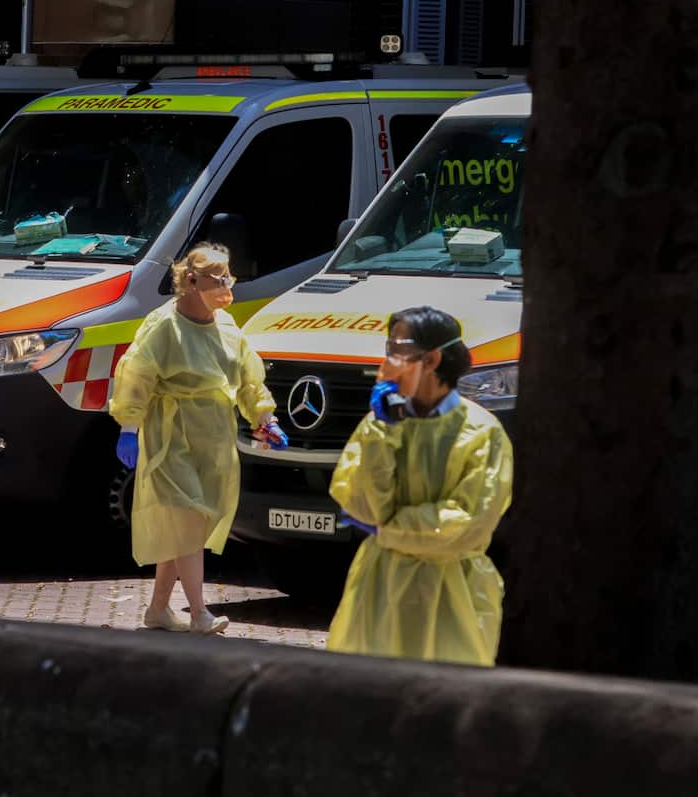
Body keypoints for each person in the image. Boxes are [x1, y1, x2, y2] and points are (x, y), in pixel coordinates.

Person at [110, 242, 289, 634]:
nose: (227, 285)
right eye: (218, 278)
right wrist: (129, 427)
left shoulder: (226, 326)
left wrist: (264, 417)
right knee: (188, 517)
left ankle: (158, 610)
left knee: (187, 523)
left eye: (229, 277)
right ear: (191, 281)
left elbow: (246, 378)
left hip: (214, 438)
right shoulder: (164, 326)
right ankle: (198, 612)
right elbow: (136, 376)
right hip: (171, 435)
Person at [326, 306, 513, 664]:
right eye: (388, 348)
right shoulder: (379, 424)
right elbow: (361, 503)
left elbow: (468, 524)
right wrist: (385, 430)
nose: (388, 360)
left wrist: (387, 530)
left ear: (431, 359)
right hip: (379, 588)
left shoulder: (482, 433)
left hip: (452, 594)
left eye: (399, 349)